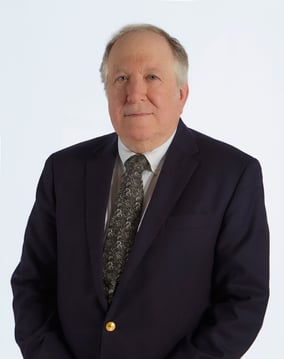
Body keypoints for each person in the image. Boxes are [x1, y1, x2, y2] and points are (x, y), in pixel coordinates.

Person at [11, 24, 269, 359]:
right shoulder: (64, 170)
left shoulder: (232, 174)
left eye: (152, 77)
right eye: (120, 78)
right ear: (106, 91)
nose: (134, 93)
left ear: (181, 94)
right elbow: (33, 283)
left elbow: (243, 300)